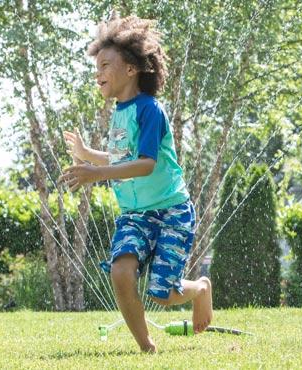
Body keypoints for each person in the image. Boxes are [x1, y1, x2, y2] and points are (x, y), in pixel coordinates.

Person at [58, 15, 212, 353]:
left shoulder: (149, 110)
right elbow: (121, 158)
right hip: (135, 214)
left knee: (164, 294)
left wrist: (95, 174)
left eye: (105, 65)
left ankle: (200, 288)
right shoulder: (119, 111)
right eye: (95, 66)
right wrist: (88, 155)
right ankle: (146, 347)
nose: (97, 72)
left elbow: (145, 165)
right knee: (120, 273)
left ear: (131, 69)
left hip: (171, 211)